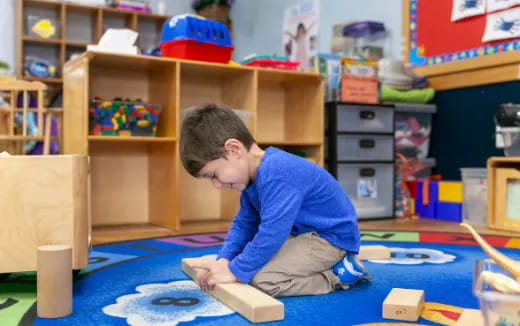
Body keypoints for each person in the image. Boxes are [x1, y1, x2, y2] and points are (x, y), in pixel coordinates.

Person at [180, 104, 370, 297]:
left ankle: (339, 276)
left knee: (262, 280)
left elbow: (273, 232)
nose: (217, 184)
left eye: (213, 175)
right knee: (244, 261)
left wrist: (234, 270)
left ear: (234, 149)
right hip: (301, 233)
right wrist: (225, 259)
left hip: (331, 238)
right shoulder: (251, 179)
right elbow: (245, 223)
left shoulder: (278, 172)